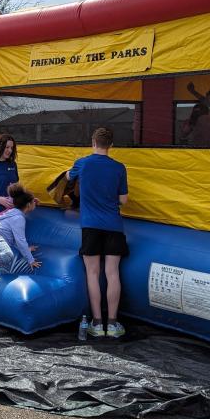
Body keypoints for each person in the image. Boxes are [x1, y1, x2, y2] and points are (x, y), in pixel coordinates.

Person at [67, 127, 129, 339]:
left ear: (93, 142)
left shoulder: (82, 163)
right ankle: (112, 324)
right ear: (111, 145)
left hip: (90, 226)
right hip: (114, 225)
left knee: (92, 274)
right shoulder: (119, 167)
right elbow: (123, 200)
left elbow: (67, 176)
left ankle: (96, 323)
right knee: (113, 273)